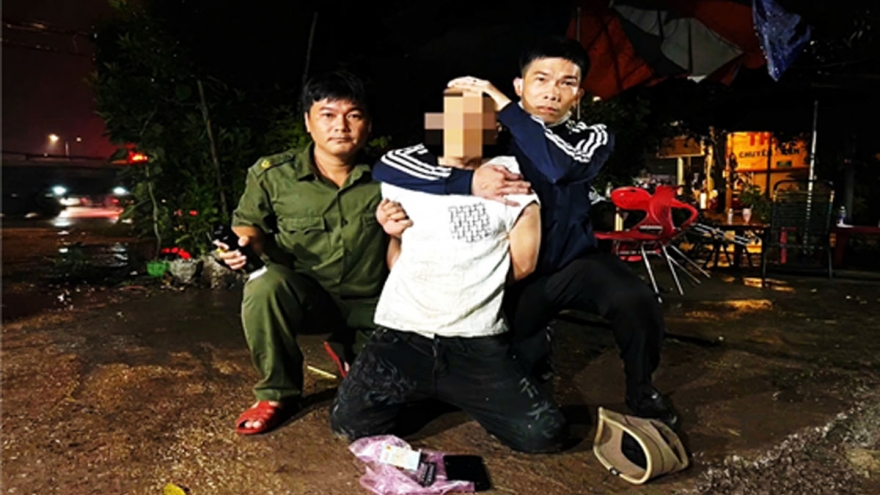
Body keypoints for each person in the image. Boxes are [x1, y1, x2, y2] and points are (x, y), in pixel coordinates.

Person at [373, 37, 679, 430]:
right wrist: (468, 181)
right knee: (506, 365)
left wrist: (506, 107)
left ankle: (641, 389)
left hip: (572, 264)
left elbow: (560, 168)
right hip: (509, 270)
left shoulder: (591, 136)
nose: (552, 92)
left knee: (635, 299)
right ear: (520, 85)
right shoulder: (491, 131)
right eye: (541, 79)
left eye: (567, 83)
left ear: (578, 95)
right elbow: (391, 165)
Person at [329, 88, 566, 453]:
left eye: (476, 120)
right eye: (453, 118)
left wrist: (471, 285)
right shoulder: (404, 178)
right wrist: (392, 234)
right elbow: (397, 257)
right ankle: (431, 390)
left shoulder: (516, 183)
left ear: (494, 129)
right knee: (350, 424)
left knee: (543, 434)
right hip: (402, 334)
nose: (462, 128)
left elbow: (524, 263)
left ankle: (454, 389)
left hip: (476, 340)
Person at [216, 71, 387, 435]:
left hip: (374, 305)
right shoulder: (272, 174)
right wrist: (241, 247)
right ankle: (276, 393)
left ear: (368, 125)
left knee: (384, 400)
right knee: (264, 285)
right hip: (309, 300)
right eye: (328, 115)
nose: (340, 126)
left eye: (353, 115)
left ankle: (347, 349)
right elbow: (248, 227)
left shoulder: (392, 175)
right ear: (308, 122)